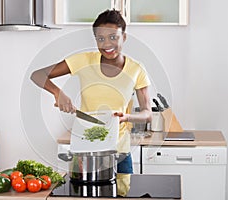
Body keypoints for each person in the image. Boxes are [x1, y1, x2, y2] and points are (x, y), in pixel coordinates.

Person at [31, 9, 152, 196]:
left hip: (119, 150)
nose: (107, 44)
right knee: (83, 195)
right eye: (100, 39)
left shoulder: (136, 70)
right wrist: (58, 92)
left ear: (124, 37)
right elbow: (37, 75)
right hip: (85, 151)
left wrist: (127, 117)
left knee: (120, 194)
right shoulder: (84, 60)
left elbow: (147, 114)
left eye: (113, 37)